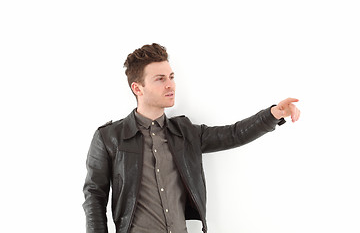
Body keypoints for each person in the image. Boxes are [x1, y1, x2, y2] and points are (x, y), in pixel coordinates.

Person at [82, 43, 300, 233]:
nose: (170, 85)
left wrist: (274, 114)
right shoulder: (109, 137)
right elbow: (94, 196)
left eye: (171, 77)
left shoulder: (185, 133)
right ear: (137, 88)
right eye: (160, 79)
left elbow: (233, 134)